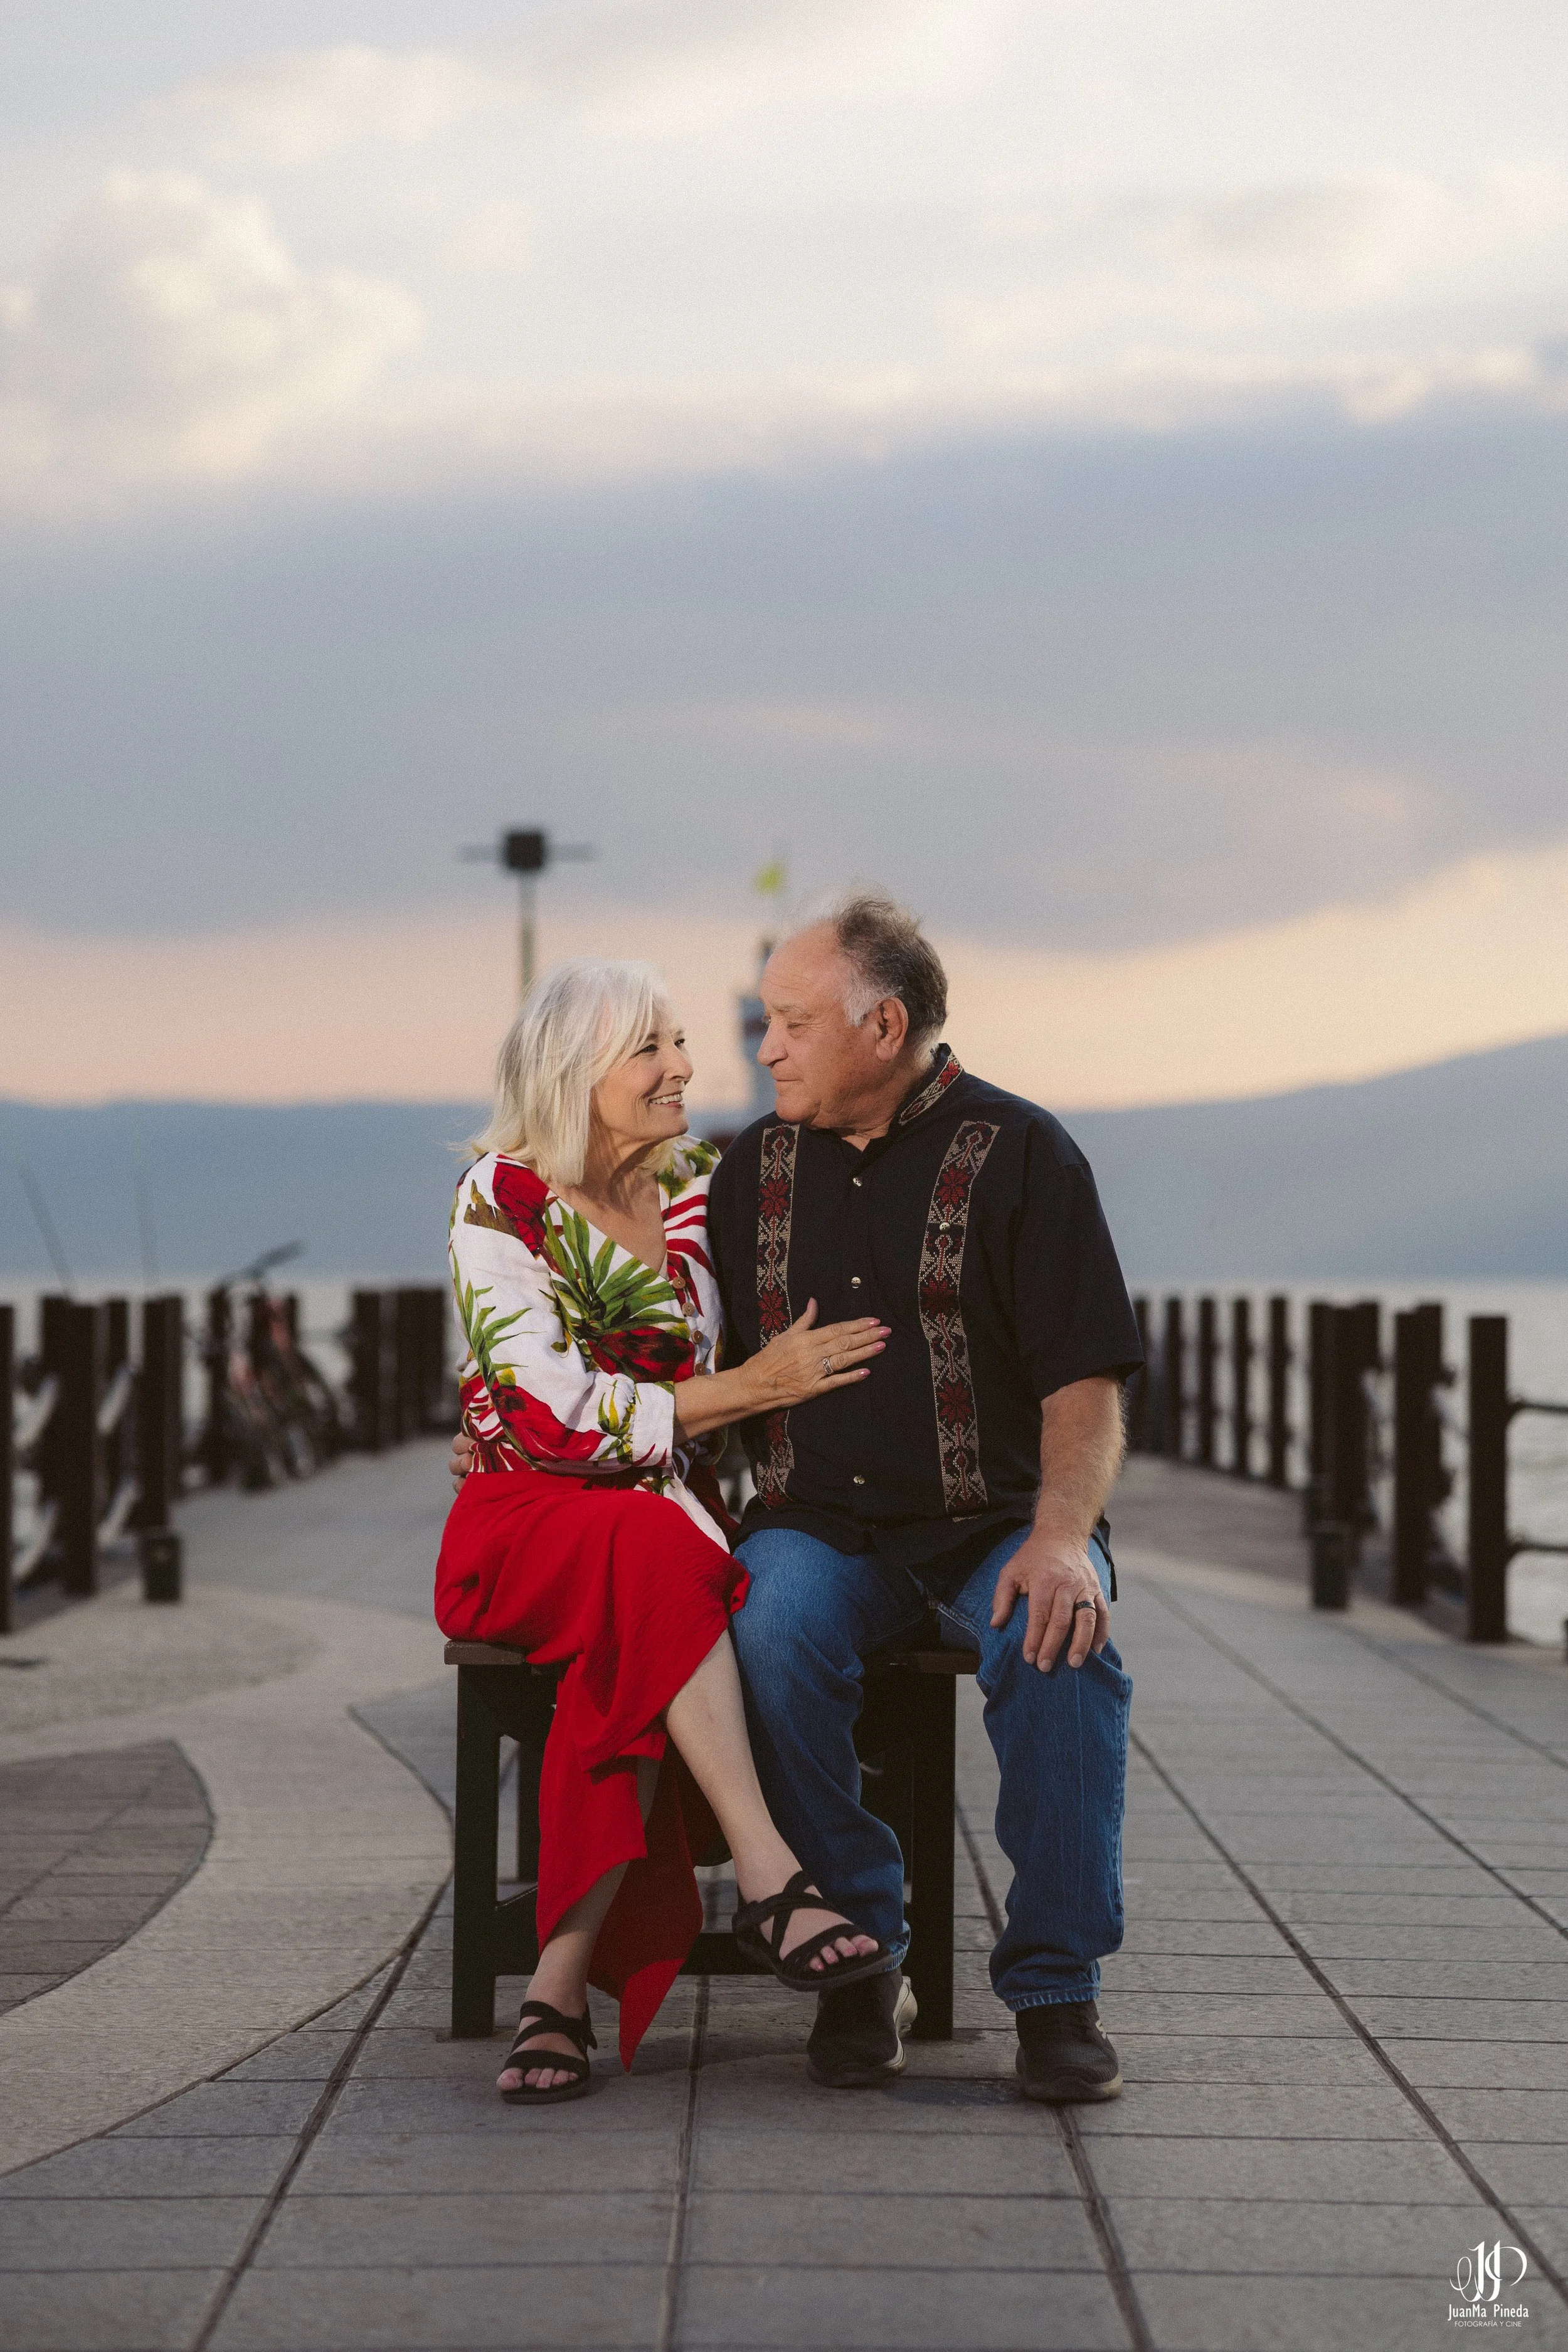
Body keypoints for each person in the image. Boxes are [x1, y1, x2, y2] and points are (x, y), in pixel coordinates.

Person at [704, 893, 1140, 2102]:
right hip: (816, 1526)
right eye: (765, 1023)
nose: (766, 1046)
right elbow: (686, 1356)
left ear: (883, 1025)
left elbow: (1088, 1385)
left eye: (790, 1022)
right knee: (768, 1628)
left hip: (996, 1520)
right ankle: (861, 1954)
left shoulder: (1026, 1153)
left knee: (1061, 1639)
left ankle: (1057, 1993)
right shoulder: (751, 1166)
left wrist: (1061, 1542)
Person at [438, 956, 894, 2104]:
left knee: (650, 1594)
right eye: (651, 1049)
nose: (684, 1065)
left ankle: (556, 1987)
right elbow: (550, 1417)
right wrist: (749, 1386)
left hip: (658, 1524)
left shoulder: (695, 1194)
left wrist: (758, 1396)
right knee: (664, 1560)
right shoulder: (504, 1196)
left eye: (680, 1042)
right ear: (573, 1073)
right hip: (523, 1521)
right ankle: (770, 1866)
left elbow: (713, 1409)